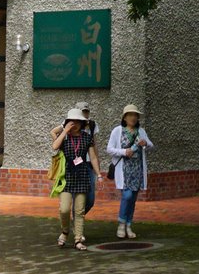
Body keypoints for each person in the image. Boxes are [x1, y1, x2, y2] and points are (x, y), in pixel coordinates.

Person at [105, 103, 153, 239]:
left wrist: (146, 144)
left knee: (133, 199)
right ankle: (121, 223)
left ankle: (129, 225)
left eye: (135, 115)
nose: (133, 118)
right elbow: (109, 149)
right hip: (123, 169)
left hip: (137, 169)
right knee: (127, 196)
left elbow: (151, 146)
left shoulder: (141, 131)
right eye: (130, 115)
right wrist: (124, 151)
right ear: (125, 117)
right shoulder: (117, 131)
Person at [51, 107, 97, 249]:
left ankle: (78, 239)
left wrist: (99, 174)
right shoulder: (64, 137)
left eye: (78, 121)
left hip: (82, 175)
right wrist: (64, 131)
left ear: (82, 123)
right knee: (64, 209)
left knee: (79, 211)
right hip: (66, 176)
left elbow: (93, 157)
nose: (75, 124)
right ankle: (65, 232)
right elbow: (54, 146)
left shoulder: (87, 137)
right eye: (72, 121)